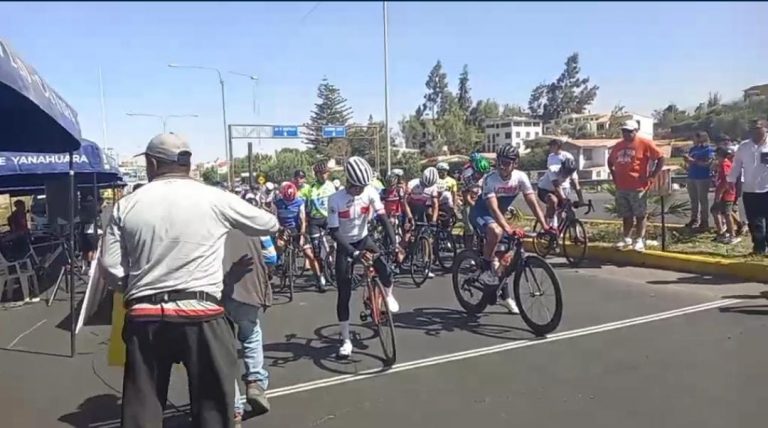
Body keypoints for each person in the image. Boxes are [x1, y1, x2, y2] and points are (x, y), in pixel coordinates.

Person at [103, 133, 279, 428]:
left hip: (146, 317)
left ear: (152, 163)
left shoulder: (127, 205)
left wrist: (135, 288)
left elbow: (110, 267)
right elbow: (268, 223)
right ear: (187, 163)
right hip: (203, 315)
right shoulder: (214, 198)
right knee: (213, 410)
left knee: (142, 411)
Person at [327, 156, 400, 359]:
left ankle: (387, 294)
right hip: (345, 245)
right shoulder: (335, 200)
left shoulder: (370, 192)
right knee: (344, 293)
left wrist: (394, 243)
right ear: (349, 181)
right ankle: (346, 339)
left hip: (363, 239)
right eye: (357, 186)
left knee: (385, 269)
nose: (360, 190)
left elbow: (383, 218)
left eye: (363, 186)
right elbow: (334, 232)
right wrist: (354, 254)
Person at [469, 143, 549, 313]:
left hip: (499, 217)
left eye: (506, 162)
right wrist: (508, 228)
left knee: (505, 259)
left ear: (516, 164)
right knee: (496, 231)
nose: (502, 166)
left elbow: (533, 204)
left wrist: (546, 226)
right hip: (481, 213)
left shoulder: (521, 178)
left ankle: (504, 295)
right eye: (500, 162)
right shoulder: (490, 179)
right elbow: (493, 209)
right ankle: (485, 267)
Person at [222, 230, 273, 423]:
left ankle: (234, 408)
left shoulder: (205, 217)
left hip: (215, 291)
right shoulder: (251, 220)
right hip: (248, 287)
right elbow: (271, 256)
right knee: (250, 333)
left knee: (222, 348)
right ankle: (255, 383)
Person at [607, 120, 665, 252]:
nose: (626, 134)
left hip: (638, 186)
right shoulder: (618, 145)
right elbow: (610, 161)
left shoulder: (644, 143)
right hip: (622, 186)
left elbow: (660, 157)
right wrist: (614, 175)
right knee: (626, 214)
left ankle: (639, 239)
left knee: (640, 214)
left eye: (629, 131)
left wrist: (652, 175)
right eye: (624, 131)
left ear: (635, 131)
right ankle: (626, 238)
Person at [728, 119, 768, 255]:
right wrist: (731, 179)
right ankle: (759, 247)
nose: (756, 132)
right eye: (753, 129)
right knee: (754, 220)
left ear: (765, 129)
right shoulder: (744, 146)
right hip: (750, 189)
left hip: (767, 188)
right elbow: (736, 165)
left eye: (759, 128)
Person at [299, 161, 337, 292]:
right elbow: (309, 205)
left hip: (328, 219)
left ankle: (333, 266)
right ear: (317, 175)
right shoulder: (312, 188)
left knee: (338, 242)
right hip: (315, 220)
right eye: (322, 174)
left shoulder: (331, 186)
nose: (325, 176)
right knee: (316, 250)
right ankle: (319, 277)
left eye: (326, 173)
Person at [275, 181, 322, 287]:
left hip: (296, 229)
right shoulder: (277, 203)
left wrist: (301, 236)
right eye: (286, 199)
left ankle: (318, 278)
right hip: (283, 229)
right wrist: (279, 231)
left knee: (309, 254)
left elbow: (303, 220)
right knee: (278, 245)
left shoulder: (299, 202)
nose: (288, 202)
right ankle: (278, 265)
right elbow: (275, 218)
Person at [538, 139, 585, 228]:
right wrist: (563, 198)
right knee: (553, 201)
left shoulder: (571, 167)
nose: (566, 176)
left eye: (568, 174)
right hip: (545, 189)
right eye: (564, 174)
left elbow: (576, 184)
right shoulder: (553, 169)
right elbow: (557, 186)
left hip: (563, 188)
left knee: (569, 211)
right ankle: (549, 226)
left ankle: (575, 234)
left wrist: (581, 199)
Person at [684, 131, 714, 231]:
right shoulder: (693, 149)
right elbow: (689, 162)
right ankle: (694, 219)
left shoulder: (708, 150)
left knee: (703, 200)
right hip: (691, 176)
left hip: (702, 177)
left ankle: (704, 221)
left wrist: (693, 161)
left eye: (696, 138)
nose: (694, 139)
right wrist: (687, 164)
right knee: (693, 200)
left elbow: (707, 164)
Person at [710, 147, 741, 245]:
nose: (715, 156)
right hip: (723, 193)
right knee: (716, 211)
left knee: (726, 214)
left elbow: (726, 181)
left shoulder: (725, 164)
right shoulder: (721, 164)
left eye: (716, 155)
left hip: (726, 193)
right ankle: (722, 233)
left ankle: (732, 235)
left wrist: (719, 194)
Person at [460, 154, 491, 248]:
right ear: (474, 170)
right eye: (479, 173)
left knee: (487, 226)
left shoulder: (487, 179)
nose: (481, 175)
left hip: (483, 204)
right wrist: (474, 204)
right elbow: (466, 196)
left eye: (483, 173)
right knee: (469, 228)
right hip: (470, 204)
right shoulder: (468, 179)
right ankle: (468, 250)